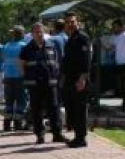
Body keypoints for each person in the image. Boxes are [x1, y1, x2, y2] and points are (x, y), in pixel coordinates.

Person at [20, 22, 66, 145]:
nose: (39, 34)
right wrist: (26, 78)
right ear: (32, 34)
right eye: (36, 32)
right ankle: (40, 135)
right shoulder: (26, 49)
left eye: (41, 32)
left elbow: (57, 63)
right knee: (36, 110)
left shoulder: (52, 46)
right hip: (34, 84)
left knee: (54, 109)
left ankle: (57, 134)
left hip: (51, 83)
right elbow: (21, 65)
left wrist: (58, 77)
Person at [60, 11, 92, 148]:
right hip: (69, 79)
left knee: (80, 108)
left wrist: (82, 79)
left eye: (72, 21)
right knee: (72, 108)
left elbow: (86, 60)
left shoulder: (82, 38)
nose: (70, 24)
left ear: (77, 22)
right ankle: (76, 135)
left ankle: (81, 138)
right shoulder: (70, 38)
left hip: (79, 79)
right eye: (68, 22)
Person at [2, 26, 28, 123]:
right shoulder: (24, 46)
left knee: (9, 101)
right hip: (19, 76)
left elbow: (3, 58)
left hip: (8, 76)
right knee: (21, 100)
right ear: (22, 34)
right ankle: (18, 122)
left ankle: (7, 123)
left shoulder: (7, 45)